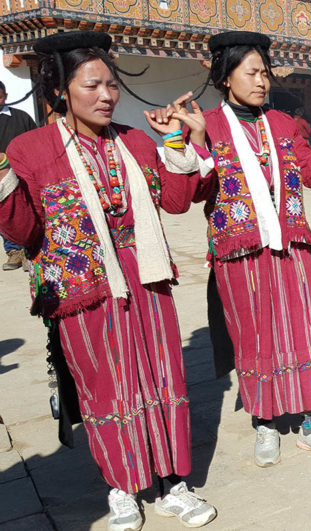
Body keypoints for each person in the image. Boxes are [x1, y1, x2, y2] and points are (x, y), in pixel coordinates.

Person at [0, 31, 216, 531]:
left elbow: (178, 201)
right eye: (92, 85)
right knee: (105, 386)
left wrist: (180, 139)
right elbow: (24, 230)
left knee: (163, 376)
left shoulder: (135, 140)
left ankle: (171, 482)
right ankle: (122, 487)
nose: (106, 95)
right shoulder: (30, 148)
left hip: (147, 278)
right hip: (83, 290)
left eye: (112, 85)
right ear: (60, 90)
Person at [159, 31, 311, 466]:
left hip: (292, 247)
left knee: (302, 331)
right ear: (227, 77)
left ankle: (310, 421)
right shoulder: (208, 123)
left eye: (265, 72)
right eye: (252, 72)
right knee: (254, 336)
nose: (262, 81)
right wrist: (190, 141)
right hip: (239, 253)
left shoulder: (284, 124)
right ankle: (264, 423)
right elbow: (192, 192)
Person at [0, 80, 37, 271]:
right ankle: (14, 252)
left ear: (5, 96)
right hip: (0, 177)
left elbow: (34, 140)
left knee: (25, 209)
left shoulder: (21, 117)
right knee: (6, 212)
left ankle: (29, 251)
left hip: (22, 172)